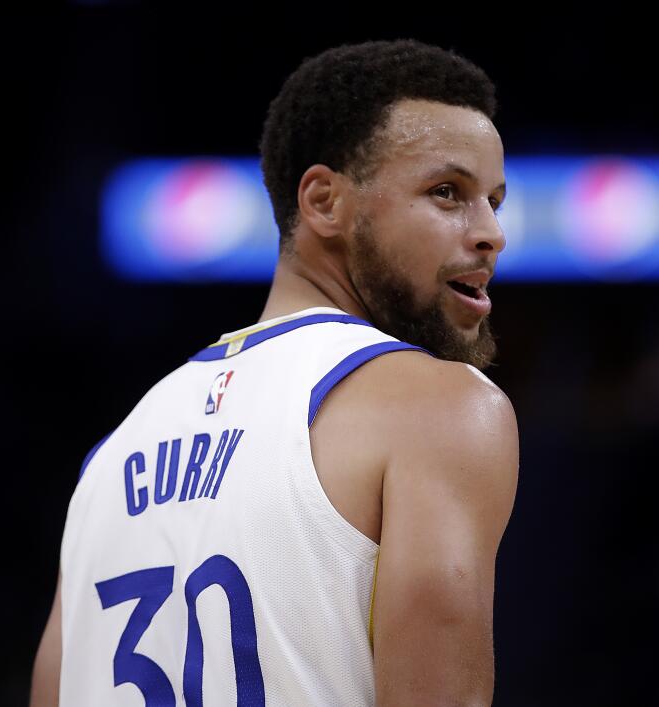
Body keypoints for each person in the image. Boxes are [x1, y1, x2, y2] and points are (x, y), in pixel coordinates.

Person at [31, 38, 519, 706]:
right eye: (447, 192)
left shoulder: (110, 457)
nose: (492, 231)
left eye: (494, 199)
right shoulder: (442, 410)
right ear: (323, 201)